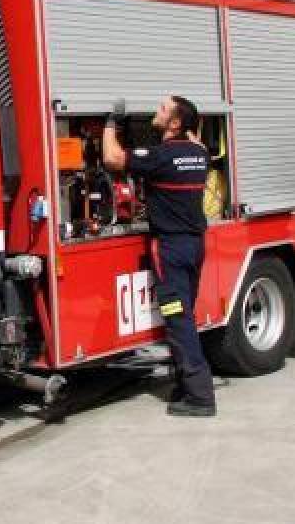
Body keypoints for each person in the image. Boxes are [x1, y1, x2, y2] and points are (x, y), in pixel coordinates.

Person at [103, 95, 215, 417]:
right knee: (186, 317)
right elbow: (199, 144)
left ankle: (200, 396)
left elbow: (112, 158)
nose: (157, 111)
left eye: (163, 109)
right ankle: (183, 385)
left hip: (171, 249)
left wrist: (110, 121)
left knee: (178, 320)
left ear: (176, 123)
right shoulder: (199, 155)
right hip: (195, 246)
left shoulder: (161, 157)